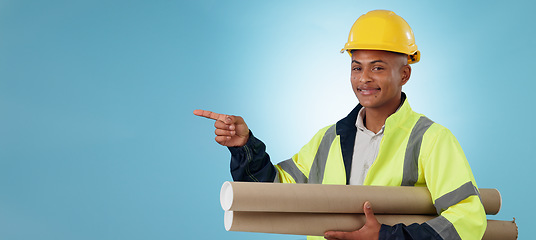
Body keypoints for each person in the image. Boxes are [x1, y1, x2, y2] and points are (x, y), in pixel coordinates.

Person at [194, 10, 486, 240]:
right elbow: (276, 194)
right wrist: (245, 147)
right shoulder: (329, 139)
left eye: (378, 67)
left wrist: (388, 237)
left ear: (405, 74)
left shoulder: (431, 140)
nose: (364, 79)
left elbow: (468, 216)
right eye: (357, 67)